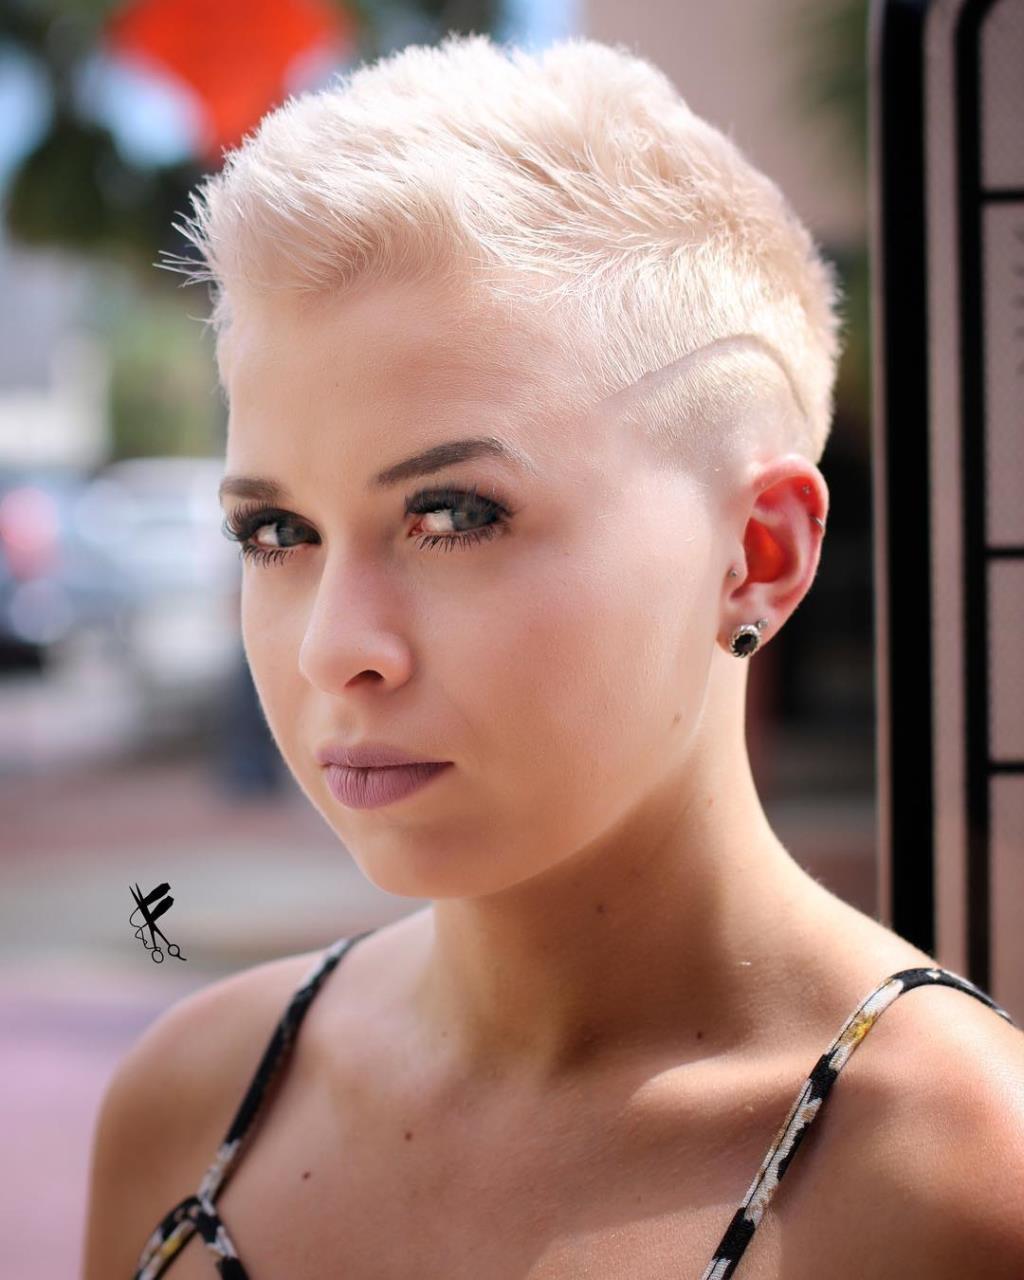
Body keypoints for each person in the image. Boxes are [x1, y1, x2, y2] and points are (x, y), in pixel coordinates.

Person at [83, 32, 1024, 1280]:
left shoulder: (958, 1178)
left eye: (453, 513)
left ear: (755, 553)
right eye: (277, 531)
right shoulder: (186, 1106)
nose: (333, 647)